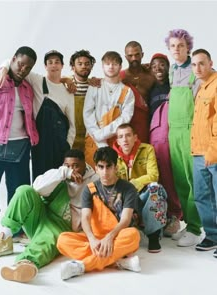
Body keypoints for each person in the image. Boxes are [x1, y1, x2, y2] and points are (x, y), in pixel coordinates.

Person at [0, 149, 98, 283]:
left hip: (61, 227)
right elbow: (36, 188)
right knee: (24, 190)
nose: (72, 169)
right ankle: (5, 237)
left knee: (46, 239)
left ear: (85, 165)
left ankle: (26, 264)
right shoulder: (59, 173)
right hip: (41, 216)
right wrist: (64, 173)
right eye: (68, 165)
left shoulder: (94, 181)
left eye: (76, 166)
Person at [57, 146, 140, 280]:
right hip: (96, 238)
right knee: (62, 240)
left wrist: (109, 237)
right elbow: (85, 218)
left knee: (133, 235)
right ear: (96, 168)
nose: (105, 172)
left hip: (117, 235)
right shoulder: (89, 189)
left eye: (109, 167)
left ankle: (82, 266)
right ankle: (117, 261)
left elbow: (125, 220)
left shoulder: (128, 188)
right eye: (101, 167)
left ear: (116, 167)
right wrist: (92, 239)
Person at [0, 46, 38, 237]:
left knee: (18, 192)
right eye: (21, 64)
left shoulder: (26, 87)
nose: (23, 69)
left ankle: (16, 232)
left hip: (20, 147)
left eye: (28, 68)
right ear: (12, 59)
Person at [0, 50, 75, 180]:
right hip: (40, 142)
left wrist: (68, 146)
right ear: (45, 66)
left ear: (62, 66)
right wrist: (3, 69)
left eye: (57, 62)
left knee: (60, 181)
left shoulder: (68, 91)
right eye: (50, 62)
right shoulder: (37, 80)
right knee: (40, 181)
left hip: (60, 144)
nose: (53, 65)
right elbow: (14, 62)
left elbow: (72, 124)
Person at [165, 29, 202, 246]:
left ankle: (197, 228)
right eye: (173, 46)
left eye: (180, 45)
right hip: (174, 131)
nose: (177, 49)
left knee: (193, 180)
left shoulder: (196, 69)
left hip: (190, 130)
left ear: (188, 46)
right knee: (180, 180)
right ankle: (188, 224)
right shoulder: (172, 71)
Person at [113, 123, 167, 253]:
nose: (125, 139)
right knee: (114, 196)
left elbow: (153, 175)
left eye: (128, 135)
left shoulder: (147, 149)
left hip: (144, 193)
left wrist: (134, 183)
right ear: (117, 141)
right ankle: (127, 232)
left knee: (156, 188)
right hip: (125, 197)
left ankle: (153, 236)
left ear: (135, 137)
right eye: (121, 136)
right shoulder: (112, 155)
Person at [149, 53, 182, 237]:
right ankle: (161, 216)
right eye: (154, 66)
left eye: (161, 65)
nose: (158, 69)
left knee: (173, 175)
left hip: (173, 134)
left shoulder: (175, 85)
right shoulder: (150, 89)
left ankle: (175, 215)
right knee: (159, 177)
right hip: (155, 136)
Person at [83, 51, 135, 168]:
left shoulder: (127, 91)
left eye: (115, 64)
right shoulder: (95, 86)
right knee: (93, 178)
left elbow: (126, 117)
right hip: (93, 140)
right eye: (107, 64)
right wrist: (98, 136)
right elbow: (87, 113)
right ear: (102, 66)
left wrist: (102, 134)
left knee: (116, 176)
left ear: (120, 67)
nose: (111, 66)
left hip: (116, 141)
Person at [190, 49, 217, 257]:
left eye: (201, 63)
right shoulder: (200, 87)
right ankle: (212, 235)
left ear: (210, 63)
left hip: (213, 154)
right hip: (197, 152)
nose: (197, 68)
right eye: (194, 65)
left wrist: (213, 152)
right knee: (201, 196)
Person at [120, 41, 156, 143]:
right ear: (126, 57)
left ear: (142, 55)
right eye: (130, 55)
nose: (134, 58)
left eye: (137, 55)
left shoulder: (150, 76)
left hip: (145, 123)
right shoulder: (120, 77)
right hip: (125, 122)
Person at [68, 49, 96, 151]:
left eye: (87, 64)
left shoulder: (95, 85)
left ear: (91, 66)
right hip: (70, 137)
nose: (84, 66)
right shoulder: (66, 84)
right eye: (80, 64)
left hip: (90, 137)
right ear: (73, 67)